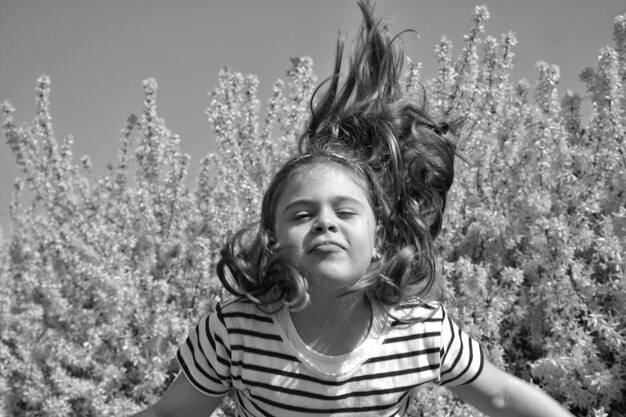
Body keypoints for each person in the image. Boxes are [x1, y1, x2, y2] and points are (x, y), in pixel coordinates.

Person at [132, 2, 574, 416]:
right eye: (302, 215)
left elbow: (500, 395)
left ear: (380, 236)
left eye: (345, 212)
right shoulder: (236, 330)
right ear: (272, 240)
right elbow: (171, 413)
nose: (325, 222)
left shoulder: (418, 329)